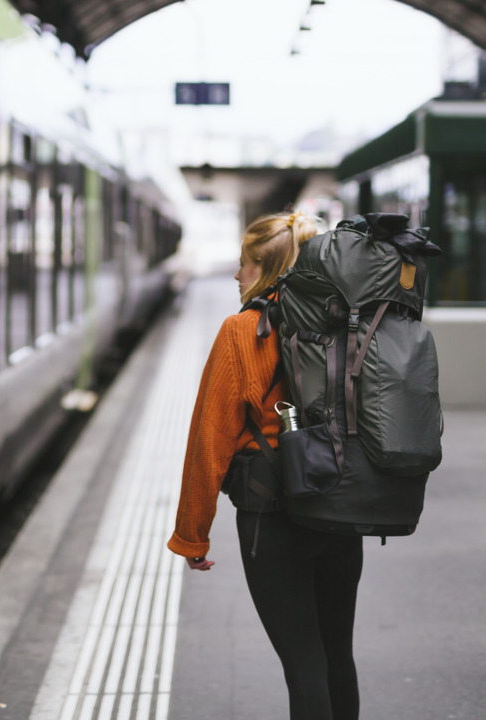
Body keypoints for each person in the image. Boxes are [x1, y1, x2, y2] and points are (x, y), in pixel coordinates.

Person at [168, 212, 366, 720]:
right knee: (336, 656)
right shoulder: (350, 323)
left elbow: (208, 439)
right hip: (341, 506)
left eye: (244, 265)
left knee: (303, 664)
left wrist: (193, 534)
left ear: (269, 269)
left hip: (273, 515)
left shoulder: (242, 331)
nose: (236, 275)